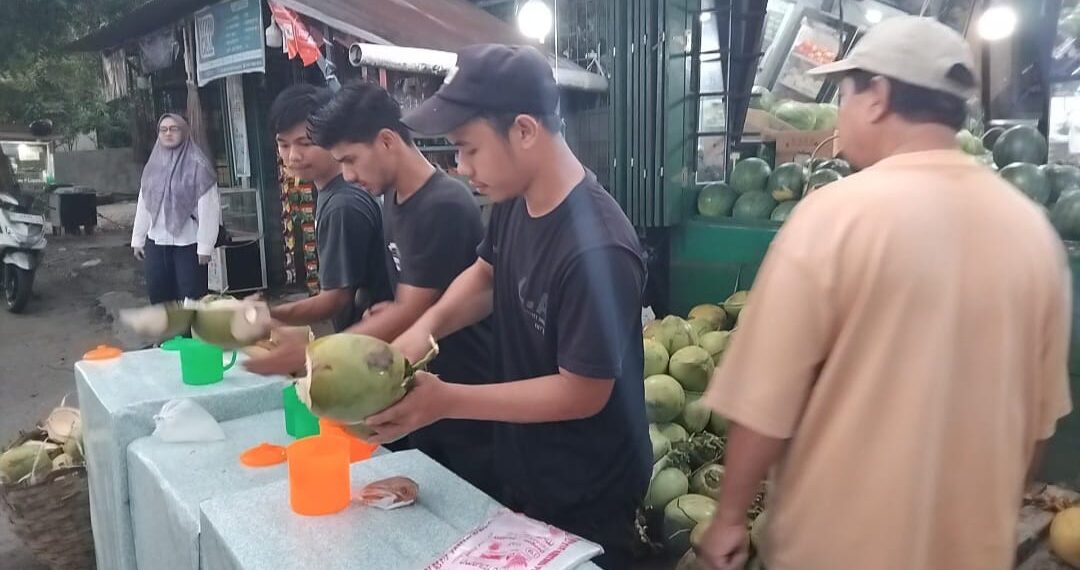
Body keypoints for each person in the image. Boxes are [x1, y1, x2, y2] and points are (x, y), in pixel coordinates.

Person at [695, 17, 1072, 570]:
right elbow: (1037, 427)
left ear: (879, 98)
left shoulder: (834, 216)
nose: (842, 108)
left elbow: (763, 404)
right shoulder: (1032, 232)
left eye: (846, 92)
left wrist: (729, 519)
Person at [363, 44, 651, 569]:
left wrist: (446, 399)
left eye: (469, 148)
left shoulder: (598, 248)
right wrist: (425, 328)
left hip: (587, 493)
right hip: (524, 468)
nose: (459, 166)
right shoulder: (513, 200)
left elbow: (582, 391)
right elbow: (484, 276)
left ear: (523, 130)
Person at [301, 80, 497, 495]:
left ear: (387, 141)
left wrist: (318, 360)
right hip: (418, 385)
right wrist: (387, 307)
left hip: (463, 397)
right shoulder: (395, 198)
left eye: (351, 160)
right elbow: (414, 294)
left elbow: (412, 312)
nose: (348, 175)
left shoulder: (441, 204)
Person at [242, 84, 392, 362]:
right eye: (283, 144)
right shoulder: (334, 191)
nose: (293, 156)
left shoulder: (342, 204)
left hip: (373, 349)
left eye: (305, 143)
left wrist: (269, 314)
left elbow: (335, 299)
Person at [131, 114, 220, 304]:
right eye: (163, 130)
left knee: (191, 296)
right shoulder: (153, 166)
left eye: (174, 129)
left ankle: (189, 335)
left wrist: (205, 246)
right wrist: (138, 239)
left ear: (184, 132)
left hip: (188, 243)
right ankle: (168, 335)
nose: (168, 133)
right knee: (159, 294)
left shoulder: (199, 166)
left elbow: (209, 210)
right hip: (157, 241)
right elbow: (144, 202)